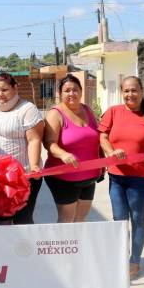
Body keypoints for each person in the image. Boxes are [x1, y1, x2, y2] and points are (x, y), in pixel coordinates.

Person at [99, 76, 144, 280]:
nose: (130, 94)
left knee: (138, 218)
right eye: (126, 91)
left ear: (141, 91)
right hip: (117, 177)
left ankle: (135, 260)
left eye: (134, 90)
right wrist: (110, 152)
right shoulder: (113, 112)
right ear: (122, 92)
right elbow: (102, 135)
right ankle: (120, 258)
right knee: (119, 220)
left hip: (142, 178)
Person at [0, 72, 44, 225]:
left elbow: (34, 140)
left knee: (23, 220)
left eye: (4, 90)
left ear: (15, 88)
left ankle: (26, 249)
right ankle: (2, 249)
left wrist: (34, 166)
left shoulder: (27, 109)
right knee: (1, 221)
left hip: (23, 177)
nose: (0, 94)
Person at [43, 74, 101, 223]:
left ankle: (79, 247)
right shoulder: (55, 114)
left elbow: (98, 137)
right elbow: (49, 143)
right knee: (67, 220)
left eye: (75, 90)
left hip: (89, 177)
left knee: (81, 219)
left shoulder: (87, 110)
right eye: (67, 90)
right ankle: (62, 247)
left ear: (81, 92)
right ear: (60, 94)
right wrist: (62, 154)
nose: (71, 94)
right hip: (63, 178)